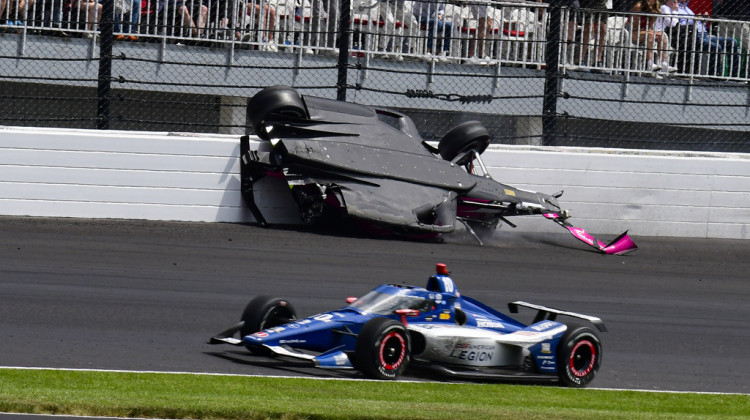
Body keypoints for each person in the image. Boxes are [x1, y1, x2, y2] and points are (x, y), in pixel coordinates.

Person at [675, 0, 740, 76]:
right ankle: (714, 74)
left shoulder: (686, 7)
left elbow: (698, 22)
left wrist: (703, 19)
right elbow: (680, 24)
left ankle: (735, 74)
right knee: (716, 47)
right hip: (693, 35)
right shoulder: (675, 9)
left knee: (732, 42)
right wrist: (694, 19)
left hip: (704, 33)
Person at [630, 0, 676, 74]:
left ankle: (664, 63)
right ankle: (650, 63)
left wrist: (654, 32)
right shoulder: (639, 6)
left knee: (662, 35)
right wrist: (651, 32)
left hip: (645, 31)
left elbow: (649, 26)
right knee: (651, 35)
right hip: (632, 32)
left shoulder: (655, 8)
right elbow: (634, 26)